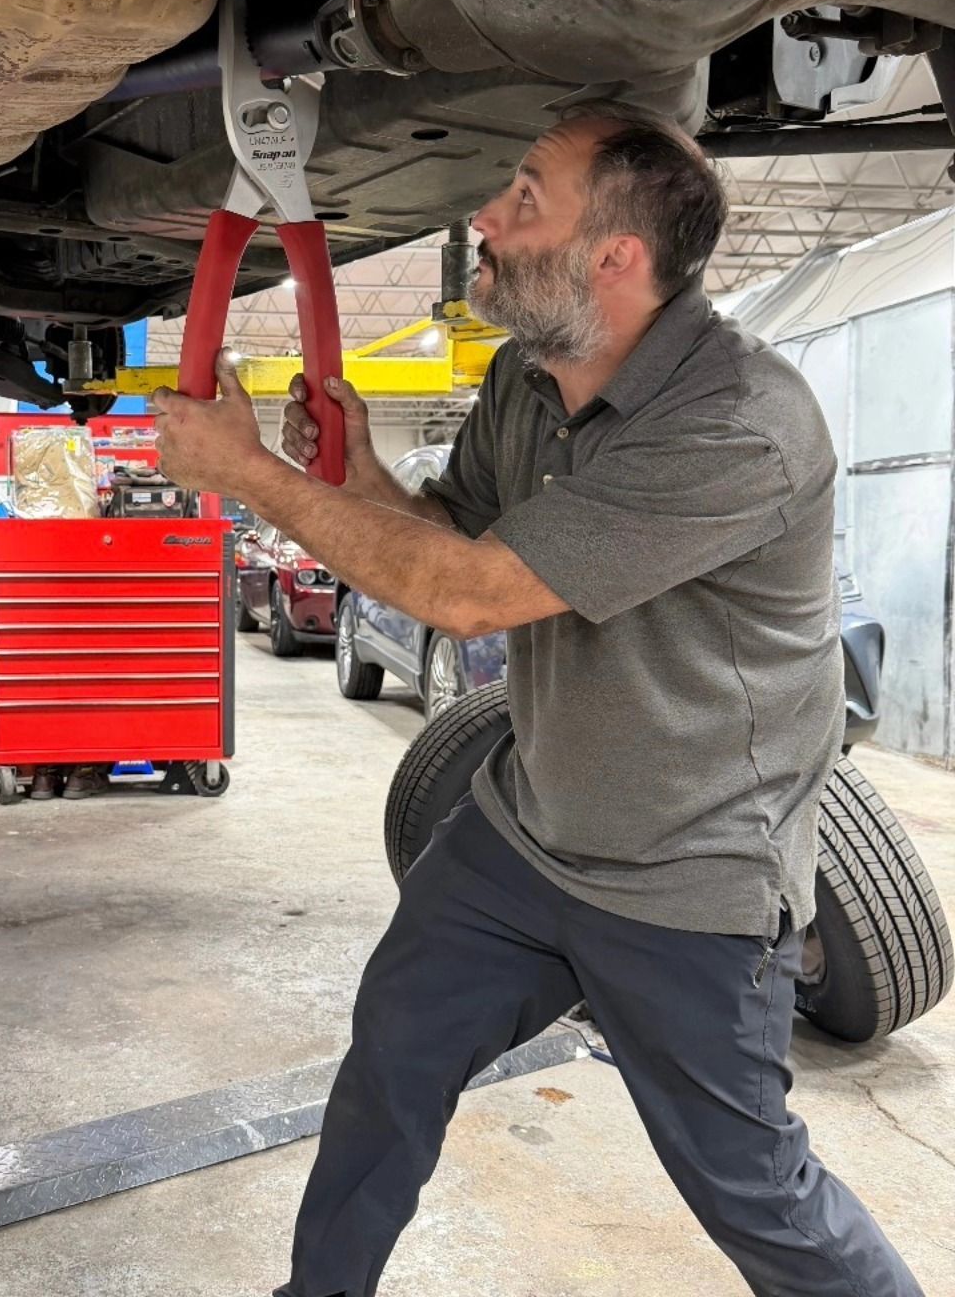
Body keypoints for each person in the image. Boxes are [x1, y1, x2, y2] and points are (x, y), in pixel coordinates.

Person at [151, 101, 924, 1297]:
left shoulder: (737, 426)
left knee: (753, 1191)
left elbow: (467, 598)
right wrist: (348, 475)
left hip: (687, 874)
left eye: (523, 200)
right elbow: (454, 537)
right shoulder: (528, 377)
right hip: (529, 834)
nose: (485, 219)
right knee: (392, 1063)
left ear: (614, 258)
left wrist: (245, 477)